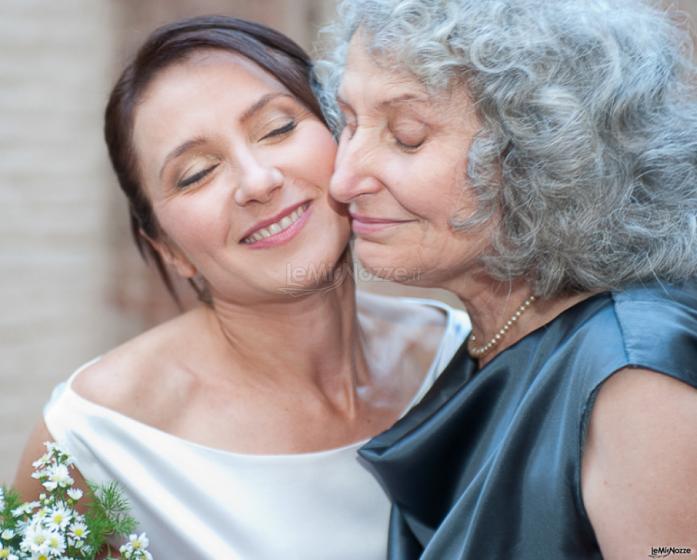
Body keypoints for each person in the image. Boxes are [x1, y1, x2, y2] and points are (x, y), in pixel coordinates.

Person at [13, 16, 470, 559]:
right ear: (167, 249)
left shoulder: (464, 356)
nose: (258, 182)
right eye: (197, 173)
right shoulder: (96, 441)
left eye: (278, 129)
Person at [320, 0, 697, 558]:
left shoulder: (634, 374)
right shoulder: (500, 334)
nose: (343, 178)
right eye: (348, 123)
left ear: (544, 151)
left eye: (407, 135)